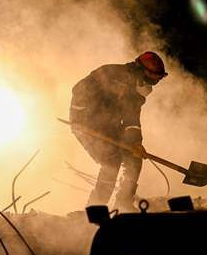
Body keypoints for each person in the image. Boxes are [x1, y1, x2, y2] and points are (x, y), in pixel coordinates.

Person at [69, 51, 167, 211]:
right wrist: (80, 115)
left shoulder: (137, 87)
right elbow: (78, 89)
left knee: (134, 159)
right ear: (142, 71)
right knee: (111, 161)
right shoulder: (113, 74)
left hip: (109, 125)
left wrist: (136, 143)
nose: (156, 81)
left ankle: (124, 203)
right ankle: (95, 209)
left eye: (159, 78)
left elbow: (132, 119)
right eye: (155, 77)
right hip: (86, 125)